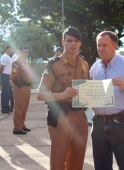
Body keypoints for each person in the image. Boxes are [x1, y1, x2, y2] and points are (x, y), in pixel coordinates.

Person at [90, 31, 124, 170]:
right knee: (101, 166)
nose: (101, 49)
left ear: (115, 45)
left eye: (105, 45)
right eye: (99, 45)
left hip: (120, 123)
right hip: (98, 123)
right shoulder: (94, 68)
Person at [37, 27, 90, 170]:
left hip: (80, 116)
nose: (73, 44)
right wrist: (62, 95)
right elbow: (40, 94)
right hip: (61, 116)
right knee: (58, 161)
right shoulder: (54, 65)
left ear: (80, 43)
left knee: (77, 160)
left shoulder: (84, 64)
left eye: (76, 41)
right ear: (63, 42)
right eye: (69, 40)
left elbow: (88, 89)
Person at [10, 46, 33, 135]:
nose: (26, 53)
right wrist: (16, 82)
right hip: (20, 87)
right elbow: (13, 75)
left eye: (27, 52)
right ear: (19, 52)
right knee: (19, 108)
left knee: (24, 107)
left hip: (27, 87)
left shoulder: (24, 62)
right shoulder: (16, 62)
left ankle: (22, 124)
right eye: (24, 52)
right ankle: (17, 127)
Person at [0, 45, 14, 113]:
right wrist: (1, 73)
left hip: (8, 76)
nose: (11, 50)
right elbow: (2, 66)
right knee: (5, 92)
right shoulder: (5, 56)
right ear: (8, 49)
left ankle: (7, 106)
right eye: (11, 49)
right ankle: (4, 108)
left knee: (8, 92)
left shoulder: (8, 57)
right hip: (5, 75)